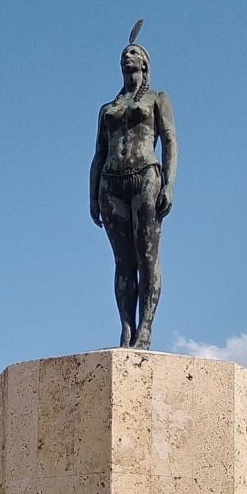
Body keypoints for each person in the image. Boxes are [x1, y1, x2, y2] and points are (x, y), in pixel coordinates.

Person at [89, 20, 178, 349]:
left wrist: (168, 183)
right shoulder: (107, 108)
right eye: (125, 53)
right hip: (111, 182)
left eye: (134, 52)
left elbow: (169, 141)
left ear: (144, 63)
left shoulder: (156, 98)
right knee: (123, 261)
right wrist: (92, 196)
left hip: (145, 176)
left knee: (148, 258)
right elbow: (98, 154)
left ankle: (146, 327)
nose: (128, 56)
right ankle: (126, 327)